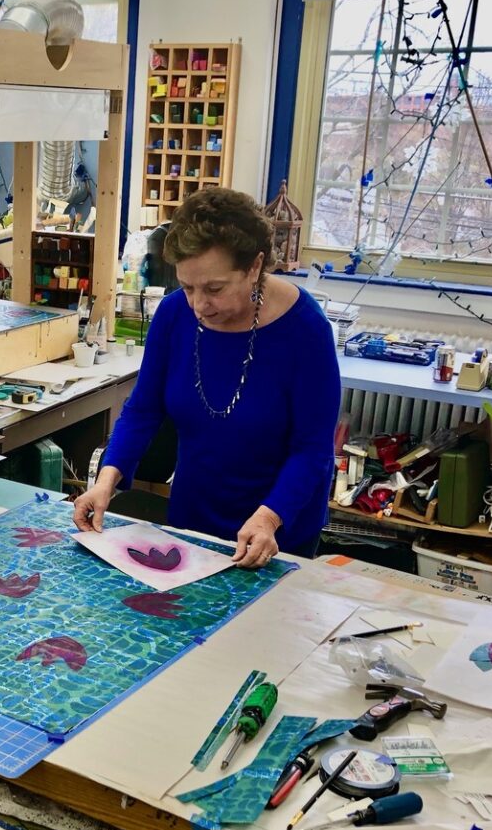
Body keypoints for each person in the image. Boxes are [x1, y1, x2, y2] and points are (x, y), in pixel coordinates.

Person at [72, 187, 341, 568]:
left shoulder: (305, 330)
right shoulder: (173, 315)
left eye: (214, 289)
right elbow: (143, 410)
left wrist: (269, 517)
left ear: (254, 267)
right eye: (187, 287)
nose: (199, 304)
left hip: (277, 529)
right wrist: (106, 481)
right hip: (193, 517)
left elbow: (312, 450)